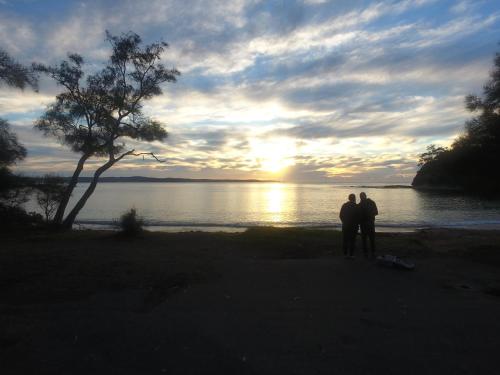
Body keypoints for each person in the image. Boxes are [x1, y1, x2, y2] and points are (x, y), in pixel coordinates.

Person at [358, 192, 378, 258]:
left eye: (361, 196)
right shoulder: (371, 202)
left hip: (365, 224)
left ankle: (368, 253)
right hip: (369, 223)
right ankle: (371, 253)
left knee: (366, 239)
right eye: (361, 196)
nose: (361, 198)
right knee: (370, 239)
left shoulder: (360, 205)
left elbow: (376, 212)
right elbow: (376, 212)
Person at [339, 193, 359, 258]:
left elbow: (341, 215)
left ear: (349, 198)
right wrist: (357, 223)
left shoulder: (344, 205)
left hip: (345, 226)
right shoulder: (356, 206)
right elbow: (359, 216)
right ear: (354, 199)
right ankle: (351, 254)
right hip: (354, 226)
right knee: (352, 241)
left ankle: (345, 254)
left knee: (345, 240)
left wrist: (344, 222)